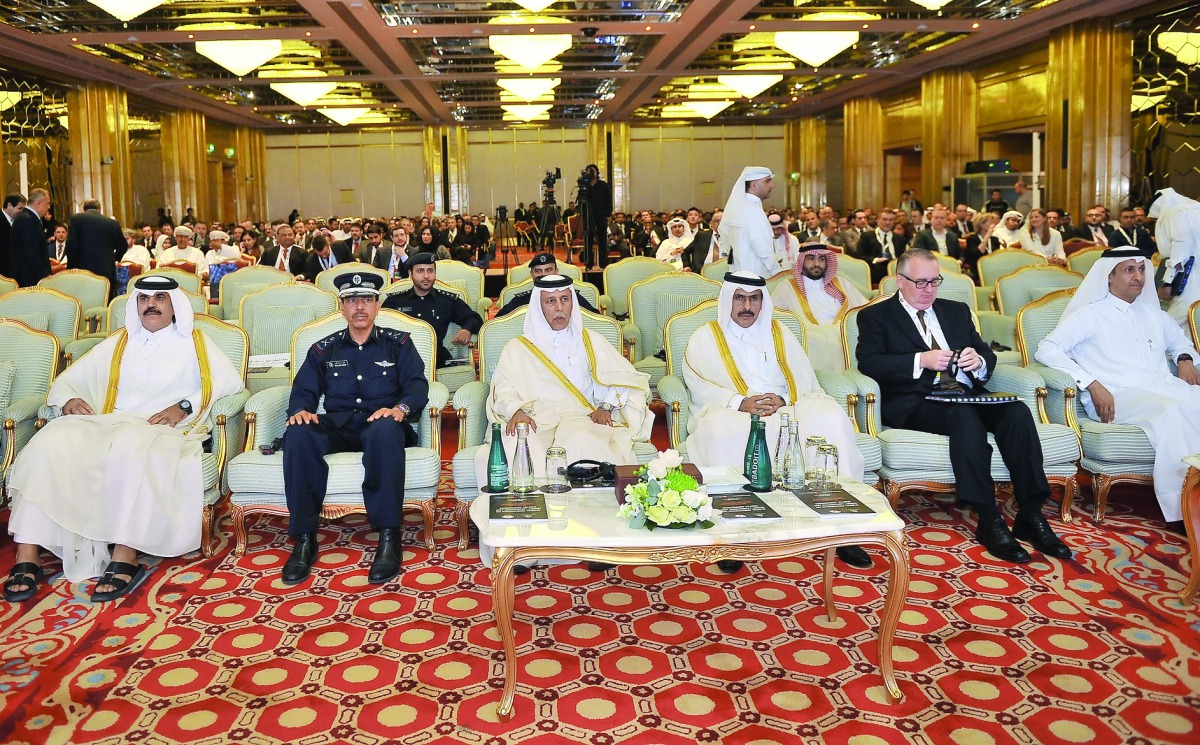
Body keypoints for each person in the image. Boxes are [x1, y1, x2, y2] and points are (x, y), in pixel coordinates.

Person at [3, 275, 244, 602]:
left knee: (132, 447)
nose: (151, 304)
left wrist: (184, 406)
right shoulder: (120, 342)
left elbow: (228, 384)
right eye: (144, 299)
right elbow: (68, 381)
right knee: (50, 440)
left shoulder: (195, 343)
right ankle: (26, 552)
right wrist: (67, 400)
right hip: (110, 421)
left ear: (174, 305)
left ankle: (125, 555)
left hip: (165, 429)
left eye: (160, 297)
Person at [855, 248, 1070, 564]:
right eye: (921, 282)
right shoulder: (876, 316)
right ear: (900, 281)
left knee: (1016, 411)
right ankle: (988, 519)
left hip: (966, 392)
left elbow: (988, 355)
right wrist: (919, 360)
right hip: (916, 401)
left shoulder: (956, 311)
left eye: (935, 281)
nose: (929, 289)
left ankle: (1031, 514)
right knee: (964, 415)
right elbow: (870, 363)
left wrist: (978, 360)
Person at [682, 271, 870, 570]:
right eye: (740, 298)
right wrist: (740, 402)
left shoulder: (780, 332)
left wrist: (784, 399)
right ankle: (736, 532)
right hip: (734, 409)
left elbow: (803, 377)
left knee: (830, 416)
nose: (747, 306)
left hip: (786, 405)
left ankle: (843, 527)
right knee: (721, 429)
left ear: (762, 302)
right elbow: (699, 382)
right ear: (728, 300)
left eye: (754, 299)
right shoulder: (705, 336)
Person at [1035, 246, 1200, 529]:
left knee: (1189, 400)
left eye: (1141, 269)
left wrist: (1184, 359)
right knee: (1173, 410)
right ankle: (1184, 510)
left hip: (1160, 387)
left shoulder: (1155, 315)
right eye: (1129, 270)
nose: (1138, 276)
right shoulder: (1088, 315)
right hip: (1117, 396)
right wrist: (1090, 382)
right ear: (1108, 277)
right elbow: (1047, 349)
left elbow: (1181, 343)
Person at [281, 272, 429, 585]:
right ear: (341, 306)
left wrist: (401, 409)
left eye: (365, 299)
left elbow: (417, 385)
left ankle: (389, 537)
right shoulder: (324, 349)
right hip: (340, 425)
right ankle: (304, 539)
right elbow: (304, 389)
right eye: (351, 300)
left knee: (385, 427)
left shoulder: (398, 344)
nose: (359, 306)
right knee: (298, 432)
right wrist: (300, 411)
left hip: (383, 424)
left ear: (377, 304)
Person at [474, 273, 653, 483]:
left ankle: (586, 511)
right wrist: (517, 410)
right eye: (551, 301)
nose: (559, 307)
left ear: (572, 304)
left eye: (564, 300)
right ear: (539, 307)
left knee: (583, 440)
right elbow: (503, 388)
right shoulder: (517, 348)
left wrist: (606, 407)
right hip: (536, 418)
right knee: (521, 442)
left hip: (580, 416)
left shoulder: (591, 341)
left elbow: (625, 378)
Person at [772, 244, 868, 371]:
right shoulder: (787, 287)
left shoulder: (840, 283)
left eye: (822, 259)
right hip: (809, 336)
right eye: (811, 258)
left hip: (843, 331)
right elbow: (773, 315)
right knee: (818, 340)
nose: (817, 263)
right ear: (802, 261)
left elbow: (864, 306)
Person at [381, 253, 483, 367]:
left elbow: (475, 319)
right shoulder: (395, 301)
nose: (426, 276)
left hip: (435, 360)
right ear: (410, 274)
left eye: (430, 271)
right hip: (401, 360)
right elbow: (378, 328)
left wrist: (467, 329)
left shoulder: (446, 301)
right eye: (420, 271)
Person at [495, 252, 598, 318]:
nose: (544, 275)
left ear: (557, 271)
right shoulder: (521, 300)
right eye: (538, 271)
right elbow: (498, 323)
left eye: (548, 270)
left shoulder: (572, 297)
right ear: (532, 275)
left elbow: (596, 319)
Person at [721, 166, 777, 278]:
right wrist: (778, 272)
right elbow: (762, 249)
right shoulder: (752, 209)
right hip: (755, 276)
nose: (772, 185)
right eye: (767, 181)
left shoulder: (742, 207)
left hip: (742, 273)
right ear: (754, 186)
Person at [11, 187, 51, 287]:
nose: (49, 207)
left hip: (27, 276)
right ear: (39, 203)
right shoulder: (28, 220)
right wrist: (44, 277)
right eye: (47, 203)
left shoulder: (26, 217)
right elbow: (31, 252)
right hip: (29, 279)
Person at [855, 208, 906, 285]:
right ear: (878, 220)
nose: (887, 222)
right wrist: (875, 260)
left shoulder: (899, 238)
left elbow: (902, 257)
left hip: (896, 272)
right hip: (875, 271)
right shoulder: (867, 236)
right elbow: (859, 256)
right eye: (884, 219)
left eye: (891, 220)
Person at [963, 212, 1001, 280]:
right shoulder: (972, 239)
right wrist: (986, 237)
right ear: (982, 224)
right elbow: (977, 254)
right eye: (991, 223)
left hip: (994, 269)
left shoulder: (995, 240)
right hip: (977, 270)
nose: (993, 225)